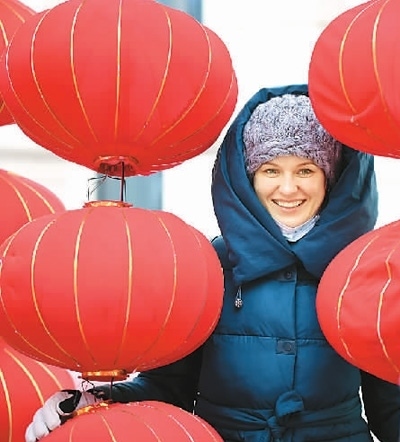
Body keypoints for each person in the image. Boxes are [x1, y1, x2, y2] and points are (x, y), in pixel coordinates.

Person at [25, 84, 400, 442]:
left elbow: (389, 404)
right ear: (248, 179)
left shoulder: (361, 272)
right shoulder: (205, 267)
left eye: (306, 170)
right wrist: (95, 402)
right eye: (270, 170)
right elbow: (166, 389)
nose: (288, 188)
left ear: (330, 178)